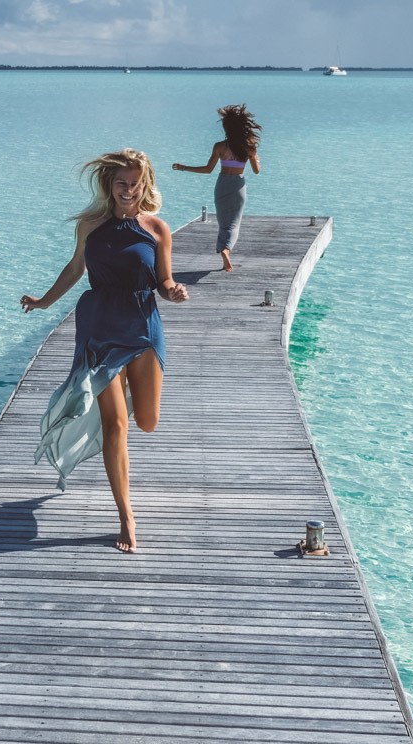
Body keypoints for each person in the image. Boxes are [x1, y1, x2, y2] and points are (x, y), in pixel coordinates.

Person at [21, 148, 188, 553]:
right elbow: (76, 268)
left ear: (144, 185)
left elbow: (163, 281)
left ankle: (116, 399)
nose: (128, 191)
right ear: (108, 186)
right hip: (98, 327)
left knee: (146, 420)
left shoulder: (157, 230)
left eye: (134, 184)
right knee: (117, 426)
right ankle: (126, 517)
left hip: (143, 326)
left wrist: (174, 292)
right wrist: (44, 301)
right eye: (120, 184)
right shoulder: (90, 225)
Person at [171, 104, 262, 271]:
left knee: (223, 222)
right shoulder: (249, 147)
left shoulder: (219, 146)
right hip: (238, 184)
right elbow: (257, 171)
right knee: (233, 224)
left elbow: (207, 170)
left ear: (227, 128)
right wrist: (256, 157)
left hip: (222, 184)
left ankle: (223, 250)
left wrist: (184, 167)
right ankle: (226, 250)